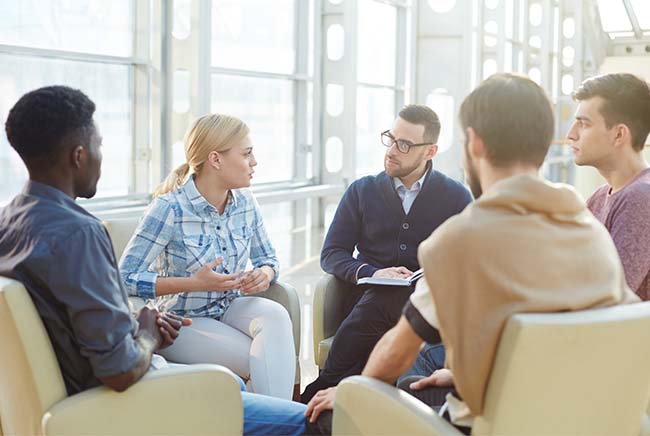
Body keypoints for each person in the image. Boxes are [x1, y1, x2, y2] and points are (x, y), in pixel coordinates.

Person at [304, 74, 639, 434]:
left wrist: (350, 393)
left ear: (474, 144)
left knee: (328, 417)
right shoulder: (588, 230)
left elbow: (396, 353)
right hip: (571, 418)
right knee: (416, 382)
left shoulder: (462, 238)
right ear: (544, 146)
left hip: (486, 423)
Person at [0, 86, 306, 436]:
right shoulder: (80, 233)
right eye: (99, 146)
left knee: (240, 374)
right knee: (306, 420)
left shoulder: (9, 223)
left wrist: (137, 324)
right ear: (79, 156)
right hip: (113, 395)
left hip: (74, 389)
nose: (103, 158)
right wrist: (147, 332)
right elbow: (119, 366)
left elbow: (80, 320)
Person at [301, 104, 473, 403]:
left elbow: (468, 263)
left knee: (392, 298)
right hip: (365, 303)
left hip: (428, 307)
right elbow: (332, 253)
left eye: (404, 144)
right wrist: (373, 273)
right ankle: (342, 397)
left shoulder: (456, 196)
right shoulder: (362, 191)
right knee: (383, 295)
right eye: (390, 139)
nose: (392, 150)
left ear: (429, 152)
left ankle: (326, 388)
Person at [119, 114, 295, 400]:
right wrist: (193, 283)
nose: (254, 162)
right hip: (182, 321)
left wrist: (264, 273)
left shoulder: (246, 203)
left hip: (230, 306)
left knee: (275, 315)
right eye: (247, 153)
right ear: (215, 160)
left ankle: (272, 423)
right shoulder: (169, 209)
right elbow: (124, 278)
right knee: (264, 362)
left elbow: (269, 258)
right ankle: (284, 422)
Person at [567, 73, 650, 300]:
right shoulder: (598, 198)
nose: (571, 135)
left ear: (619, 134)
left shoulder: (641, 198)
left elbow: (607, 296)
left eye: (584, 124)